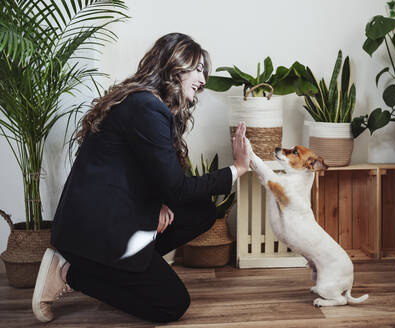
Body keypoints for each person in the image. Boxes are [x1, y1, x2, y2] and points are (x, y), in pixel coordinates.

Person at [31, 33, 250, 323]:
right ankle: (70, 272)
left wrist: (158, 202)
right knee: (173, 305)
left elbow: (143, 172)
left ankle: (127, 271)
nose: (203, 79)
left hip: (115, 215)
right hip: (95, 233)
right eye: (198, 69)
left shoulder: (144, 103)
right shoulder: (147, 107)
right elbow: (178, 188)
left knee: (201, 212)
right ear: (176, 65)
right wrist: (238, 168)